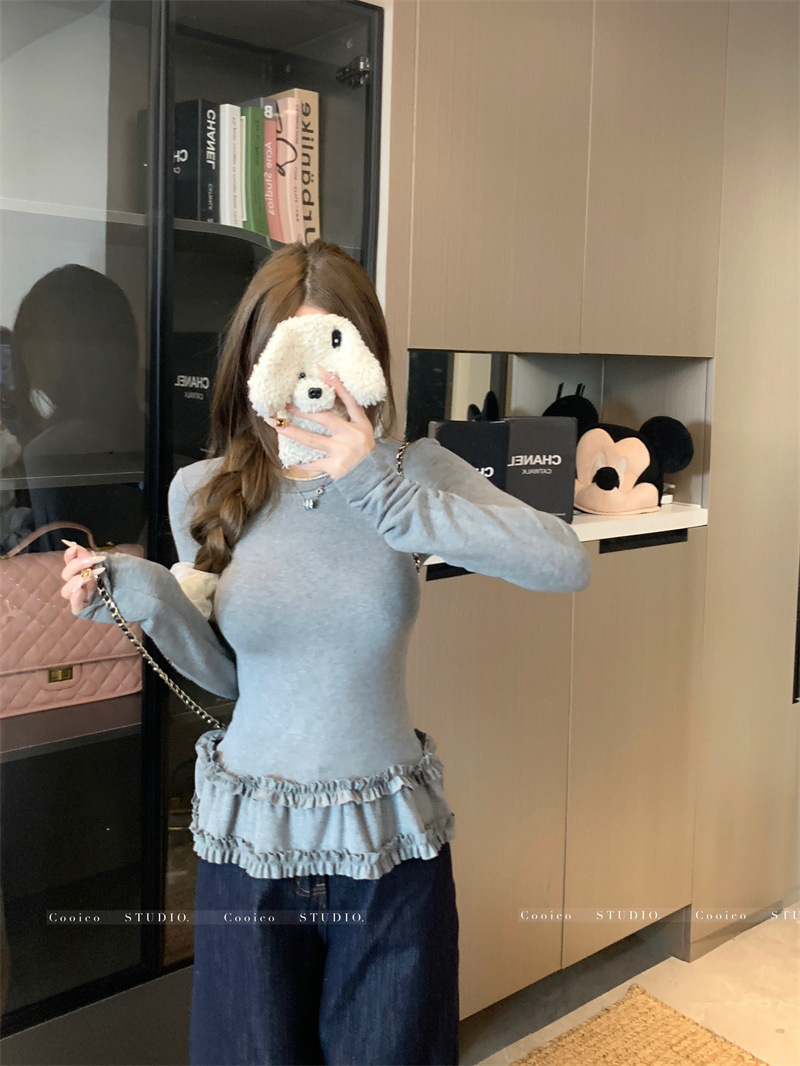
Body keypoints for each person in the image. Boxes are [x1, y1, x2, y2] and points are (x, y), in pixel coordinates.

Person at [59, 239, 592, 1066]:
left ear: (367, 360)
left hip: (387, 844)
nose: (312, 384)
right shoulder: (203, 490)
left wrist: (378, 486)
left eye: (332, 352)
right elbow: (230, 679)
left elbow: (563, 562)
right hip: (251, 846)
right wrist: (142, 596)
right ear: (253, 364)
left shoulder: (412, 471)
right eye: (290, 355)